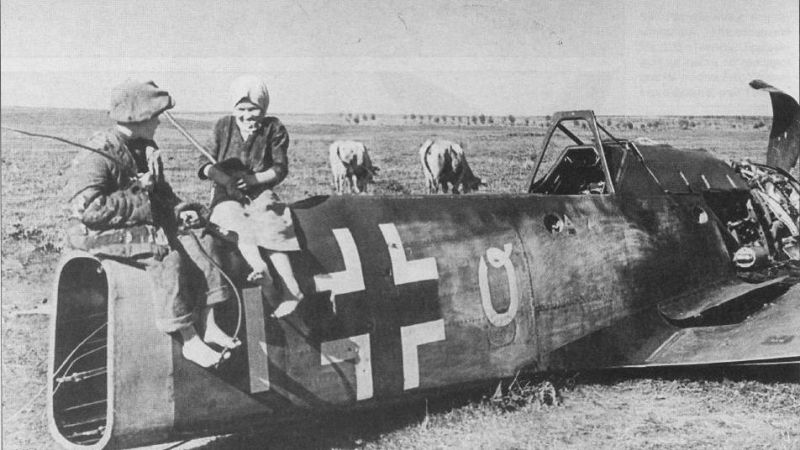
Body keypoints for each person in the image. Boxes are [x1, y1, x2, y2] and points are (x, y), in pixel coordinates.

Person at [65, 80, 239, 367]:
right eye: (155, 116)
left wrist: (179, 211)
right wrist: (139, 191)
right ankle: (189, 338)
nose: (158, 121)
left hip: (135, 221)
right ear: (139, 117)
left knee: (200, 239)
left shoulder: (144, 147)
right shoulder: (98, 153)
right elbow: (88, 209)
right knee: (164, 253)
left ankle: (210, 323)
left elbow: (162, 194)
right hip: (94, 231)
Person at [198, 75, 303, 318]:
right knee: (234, 220)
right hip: (225, 190)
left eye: (253, 109)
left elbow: (279, 168)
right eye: (241, 109)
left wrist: (254, 180)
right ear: (233, 109)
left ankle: (292, 289)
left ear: (263, 107)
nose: (247, 115)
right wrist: (225, 179)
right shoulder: (223, 126)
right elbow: (204, 165)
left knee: (271, 222)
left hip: (259, 189)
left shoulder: (274, 128)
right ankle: (260, 268)